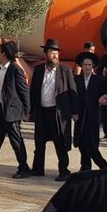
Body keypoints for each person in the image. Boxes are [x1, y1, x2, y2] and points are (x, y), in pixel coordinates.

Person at [29, 39, 78, 181]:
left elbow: (72, 91)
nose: (55, 55)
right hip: (42, 112)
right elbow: (33, 92)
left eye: (56, 53)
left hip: (58, 113)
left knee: (60, 142)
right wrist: (30, 111)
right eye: (52, 53)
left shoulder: (65, 70)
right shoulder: (38, 70)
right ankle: (38, 168)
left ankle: (64, 170)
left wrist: (75, 112)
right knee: (39, 142)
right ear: (46, 54)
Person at [0, 40, 31, 179]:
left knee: (16, 140)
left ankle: (23, 168)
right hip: (0, 109)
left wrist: (26, 111)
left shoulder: (15, 69)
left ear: (4, 54)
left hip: (12, 112)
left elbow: (24, 91)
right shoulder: (0, 69)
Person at [74, 51, 107, 172]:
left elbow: (106, 94)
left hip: (93, 117)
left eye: (89, 65)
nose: (87, 67)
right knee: (81, 143)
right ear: (81, 66)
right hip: (80, 117)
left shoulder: (98, 80)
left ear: (93, 66)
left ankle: (104, 167)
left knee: (92, 145)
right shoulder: (76, 80)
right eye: (85, 65)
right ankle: (85, 167)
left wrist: (103, 98)